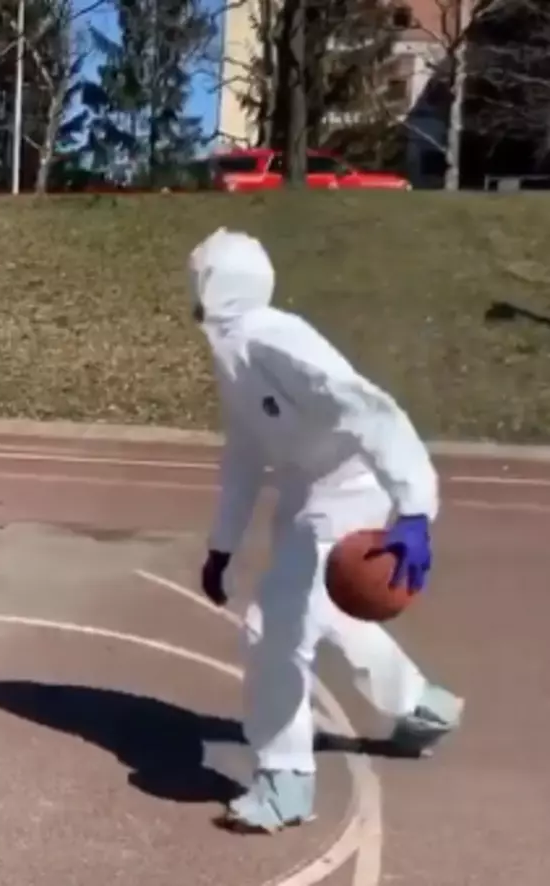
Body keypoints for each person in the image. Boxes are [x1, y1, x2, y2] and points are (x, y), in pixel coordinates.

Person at [190, 227, 463, 834]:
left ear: (212, 283)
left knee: (275, 626)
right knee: (325, 607)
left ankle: (286, 779)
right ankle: (420, 706)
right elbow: (243, 453)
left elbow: (369, 407)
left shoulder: (272, 338)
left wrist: (414, 508)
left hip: (349, 487)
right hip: (304, 488)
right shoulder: (230, 349)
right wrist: (222, 545)